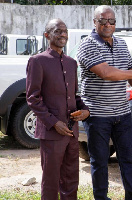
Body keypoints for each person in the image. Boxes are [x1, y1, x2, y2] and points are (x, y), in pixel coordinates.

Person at [76, 5, 132, 200]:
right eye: (103, 21)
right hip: (97, 115)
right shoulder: (88, 44)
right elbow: (107, 73)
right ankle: (101, 198)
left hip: (122, 113)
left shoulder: (120, 43)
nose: (108, 24)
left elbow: (128, 67)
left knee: (128, 158)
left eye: (112, 21)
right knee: (100, 161)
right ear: (95, 22)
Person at [26, 19, 90, 200]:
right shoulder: (37, 61)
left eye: (65, 31)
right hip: (52, 133)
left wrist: (85, 111)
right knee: (51, 180)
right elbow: (33, 98)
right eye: (58, 31)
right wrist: (54, 123)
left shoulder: (71, 63)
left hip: (72, 132)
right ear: (47, 35)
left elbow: (75, 95)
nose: (63, 34)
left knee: (71, 180)